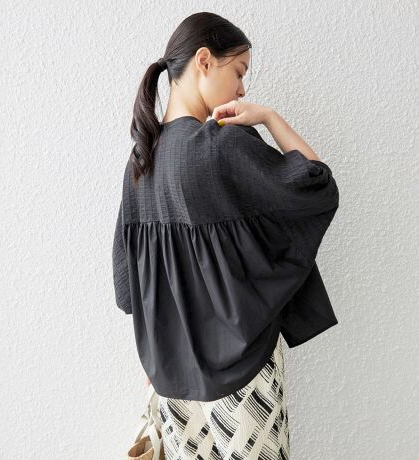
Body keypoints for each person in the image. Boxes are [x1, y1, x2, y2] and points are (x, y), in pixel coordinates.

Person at [113, 12, 339, 460]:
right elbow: (317, 187)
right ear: (204, 61)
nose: (242, 90)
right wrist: (270, 118)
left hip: (172, 386)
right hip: (243, 381)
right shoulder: (223, 144)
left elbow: (127, 290)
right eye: (238, 71)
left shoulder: (139, 164)